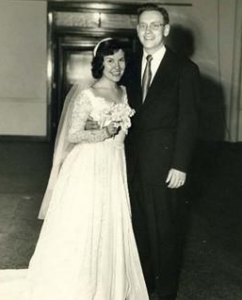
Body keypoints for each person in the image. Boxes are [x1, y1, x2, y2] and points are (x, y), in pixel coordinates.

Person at [0, 38, 149, 300]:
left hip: (114, 164)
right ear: (99, 63)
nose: (117, 66)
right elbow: (73, 134)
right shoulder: (88, 95)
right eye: (110, 60)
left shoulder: (124, 93)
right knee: (86, 223)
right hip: (89, 165)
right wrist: (103, 131)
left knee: (109, 221)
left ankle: (106, 284)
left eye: (121, 59)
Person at [124, 3, 200, 300]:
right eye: (143, 25)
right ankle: (145, 288)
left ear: (166, 30)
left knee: (165, 233)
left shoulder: (184, 69)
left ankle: (166, 293)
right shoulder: (129, 66)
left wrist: (180, 165)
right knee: (138, 229)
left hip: (165, 166)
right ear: (137, 28)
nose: (148, 30)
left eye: (155, 25)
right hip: (131, 166)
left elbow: (189, 122)